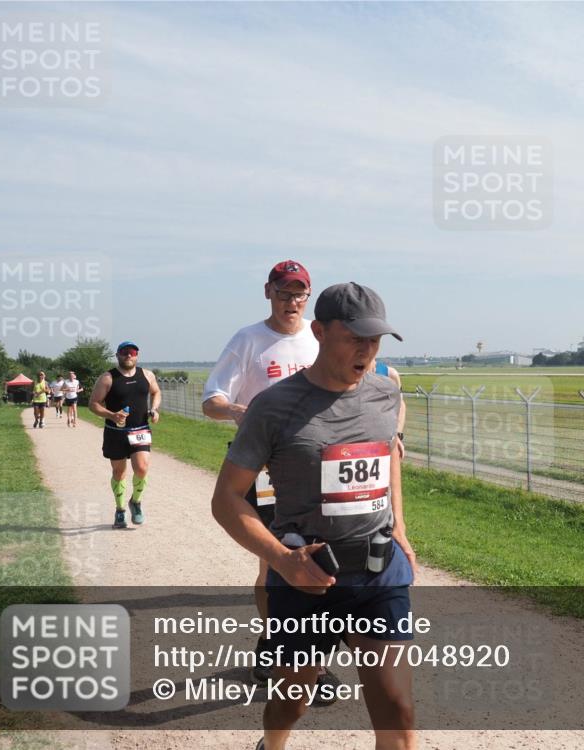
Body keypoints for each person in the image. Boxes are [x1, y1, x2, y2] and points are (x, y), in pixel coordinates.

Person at [211, 282, 416, 750]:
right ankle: (272, 745)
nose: (367, 350)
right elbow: (226, 499)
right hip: (307, 575)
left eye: (375, 340)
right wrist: (283, 560)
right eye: (355, 338)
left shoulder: (386, 395)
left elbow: (389, 458)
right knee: (293, 700)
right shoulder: (275, 407)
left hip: (376, 573)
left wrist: (399, 526)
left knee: (398, 711)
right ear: (319, 332)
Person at [203, 260, 339, 693]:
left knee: (322, 557)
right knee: (276, 561)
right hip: (263, 467)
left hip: (317, 468)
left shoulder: (320, 339)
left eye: (300, 295)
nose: (292, 302)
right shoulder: (249, 341)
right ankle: (282, 644)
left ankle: (305, 655)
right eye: (284, 293)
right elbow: (211, 400)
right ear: (268, 293)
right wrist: (241, 411)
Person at [89, 341, 162, 529]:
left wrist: (154, 409)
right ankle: (120, 509)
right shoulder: (107, 378)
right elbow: (94, 404)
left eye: (132, 352)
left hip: (140, 429)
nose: (128, 355)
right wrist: (112, 415)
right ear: (117, 355)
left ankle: (136, 502)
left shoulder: (147, 375)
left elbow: (156, 392)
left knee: (142, 468)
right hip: (116, 432)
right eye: (124, 352)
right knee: (119, 472)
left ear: (137, 355)